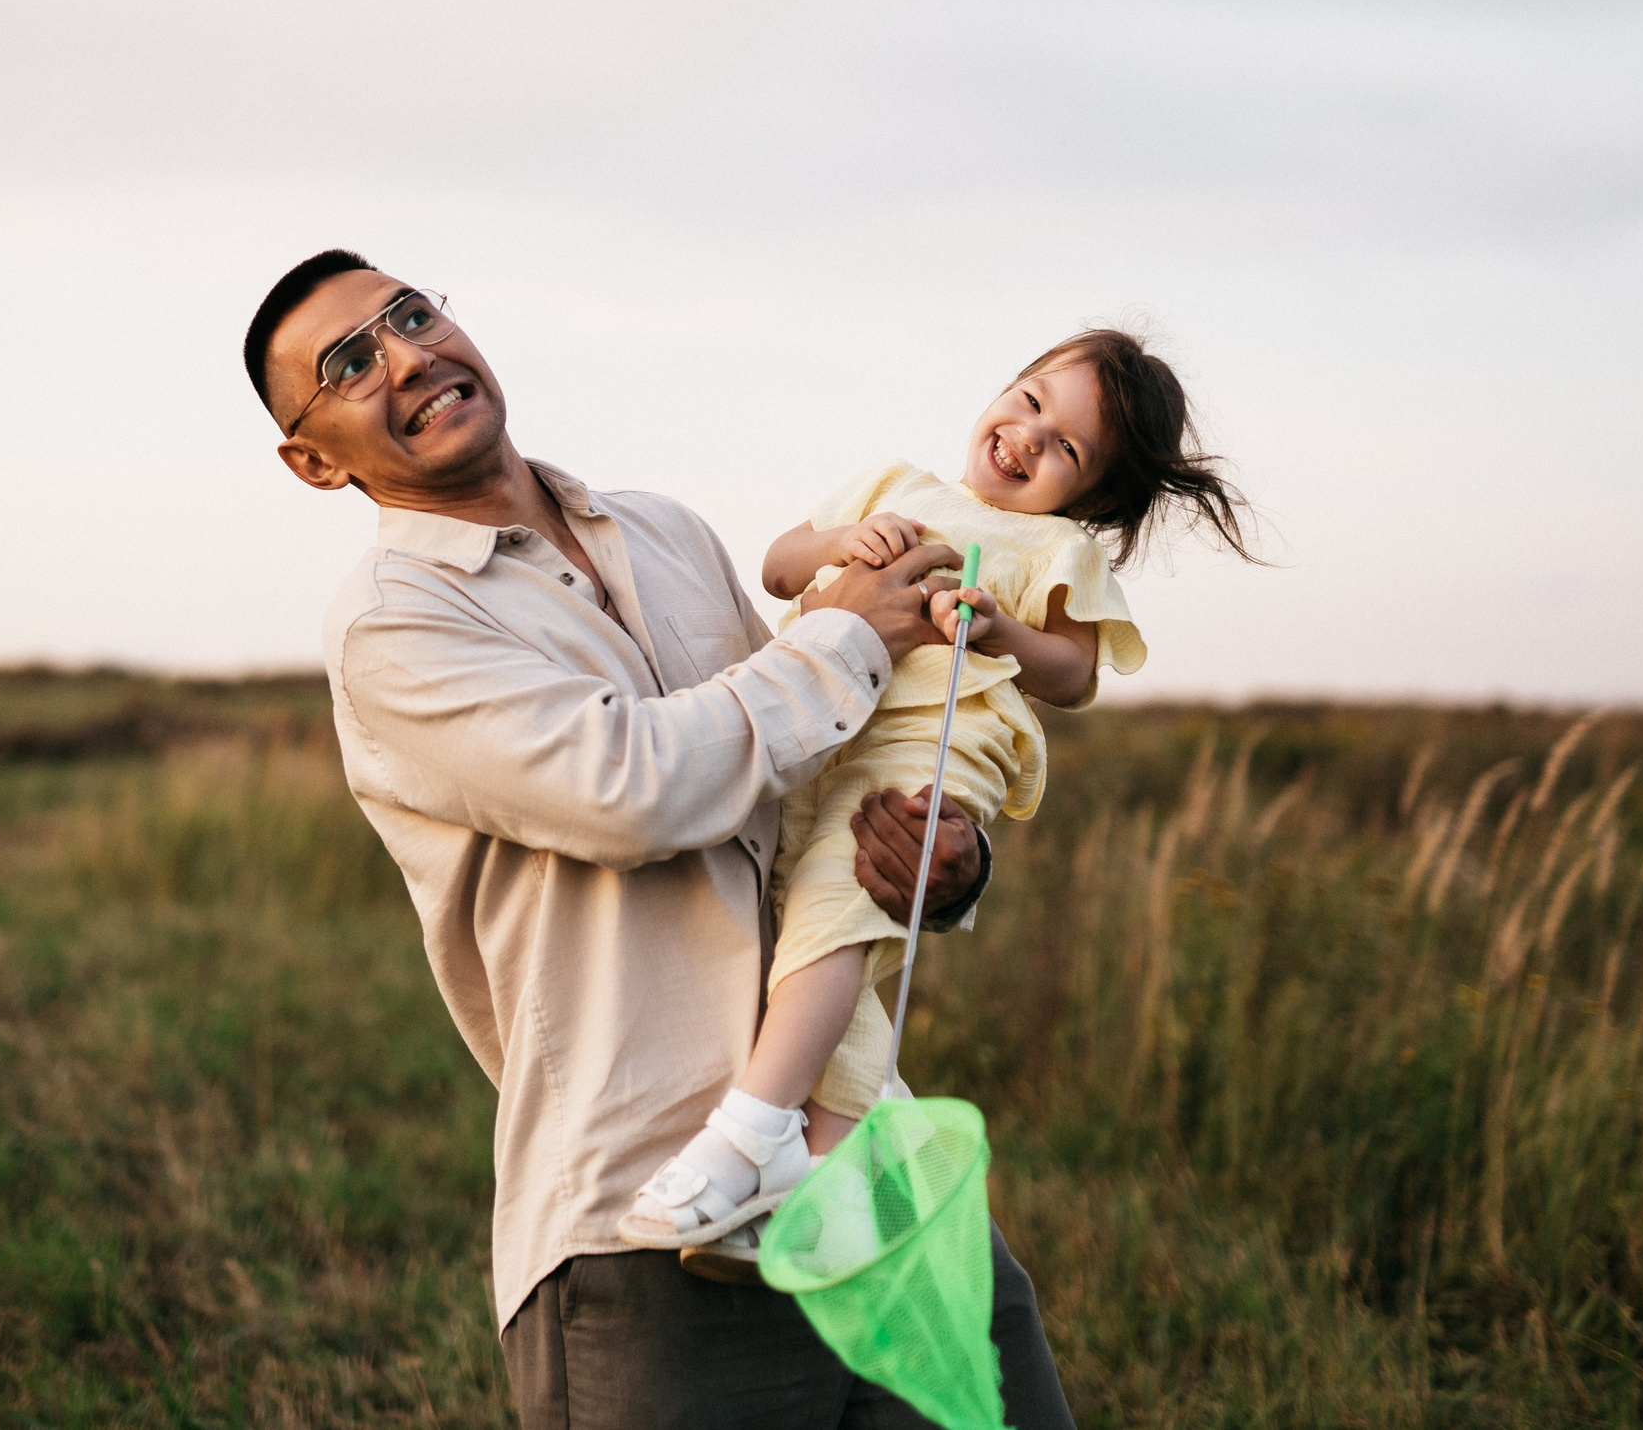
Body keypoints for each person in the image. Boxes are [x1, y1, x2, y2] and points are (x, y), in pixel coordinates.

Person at [248, 248, 1077, 1429]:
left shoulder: (667, 532)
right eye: (349, 361)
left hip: (866, 1160)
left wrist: (943, 866)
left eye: (412, 314)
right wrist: (842, 634)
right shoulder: (397, 624)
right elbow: (627, 791)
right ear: (313, 460)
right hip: (646, 1218)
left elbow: (810, 773)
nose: (409, 355)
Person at [619, 329, 1257, 1259]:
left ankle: (752, 1133)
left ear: (1093, 495)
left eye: (1066, 449)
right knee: (814, 941)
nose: (1028, 439)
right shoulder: (893, 485)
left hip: (937, 740)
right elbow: (780, 565)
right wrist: (842, 539)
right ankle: (832, 1188)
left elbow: (1075, 673)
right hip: (829, 728)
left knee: (841, 903)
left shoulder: (1057, 550)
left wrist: (1003, 631)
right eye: (1031, 401)